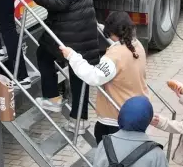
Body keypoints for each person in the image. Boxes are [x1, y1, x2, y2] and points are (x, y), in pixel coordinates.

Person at [32, 0, 103, 119]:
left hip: (68, 32)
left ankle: (53, 98)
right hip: (85, 29)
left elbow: (60, 2)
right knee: (80, 74)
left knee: (43, 54)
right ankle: (80, 120)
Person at [63, 12, 149, 142]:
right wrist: (97, 25)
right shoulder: (137, 46)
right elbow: (118, 41)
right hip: (138, 112)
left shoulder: (114, 57)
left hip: (114, 119)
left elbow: (93, 77)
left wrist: (72, 56)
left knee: (109, 158)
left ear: (112, 32)